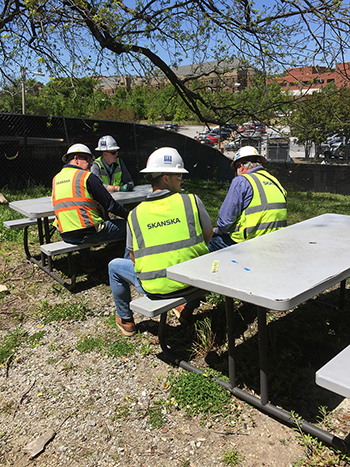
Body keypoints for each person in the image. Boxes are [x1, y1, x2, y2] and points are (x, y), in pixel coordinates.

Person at [108, 147, 213, 336]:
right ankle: (186, 310)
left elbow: (133, 258)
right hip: (195, 280)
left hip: (155, 287)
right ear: (166, 178)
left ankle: (126, 320)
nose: (182, 180)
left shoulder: (135, 215)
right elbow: (208, 236)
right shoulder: (192, 201)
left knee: (114, 266)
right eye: (179, 176)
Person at [52, 143, 129, 273]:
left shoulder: (56, 178)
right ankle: (128, 267)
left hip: (65, 233)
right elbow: (110, 205)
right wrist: (131, 216)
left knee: (79, 221)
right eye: (88, 160)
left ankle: (87, 262)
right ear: (76, 158)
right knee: (130, 227)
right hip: (88, 233)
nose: (90, 164)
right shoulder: (86, 177)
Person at [209, 145, 287, 251]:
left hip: (250, 241)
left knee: (208, 243)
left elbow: (226, 220)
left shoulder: (242, 181)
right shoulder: (274, 181)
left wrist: (217, 230)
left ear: (241, 166)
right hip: (276, 239)